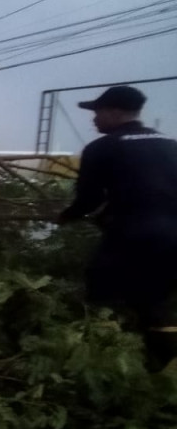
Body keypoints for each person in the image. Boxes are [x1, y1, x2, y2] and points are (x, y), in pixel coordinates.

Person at [58, 84, 177, 372]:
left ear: (114, 112)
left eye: (97, 112)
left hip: (133, 235)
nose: (94, 119)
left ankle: (103, 362)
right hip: (172, 235)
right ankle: (156, 370)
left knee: (102, 291)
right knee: (155, 302)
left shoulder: (102, 148)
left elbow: (88, 199)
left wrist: (63, 217)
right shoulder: (170, 145)